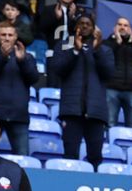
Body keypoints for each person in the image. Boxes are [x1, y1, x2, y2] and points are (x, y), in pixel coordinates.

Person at [48, 16, 113, 167]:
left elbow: (109, 73)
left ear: (93, 28)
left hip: (96, 113)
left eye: (88, 24)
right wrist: (75, 51)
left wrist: (97, 50)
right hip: (72, 111)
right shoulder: (65, 45)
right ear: (75, 27)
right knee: (70, 155)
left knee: (95, 156)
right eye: (81, 24)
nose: (84, 27)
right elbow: (57, 69)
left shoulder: (104, 49)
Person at [0, 21, 39, 156]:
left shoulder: (27, 57)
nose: (7, 38)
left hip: (18, 116)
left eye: (10, 35)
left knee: (23, 159)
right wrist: (3, 58)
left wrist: (22, 61)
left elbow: (34, 78)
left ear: (16, 37)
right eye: (3, 34)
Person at [103, 16, 132, 130]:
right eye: (120, 24)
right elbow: (103, 57)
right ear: (114, 28)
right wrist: (117, 42)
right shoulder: (107, 42)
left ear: (130, 29)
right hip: (111, 89)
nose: (122, 27)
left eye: (126, 25)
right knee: (109, 123)